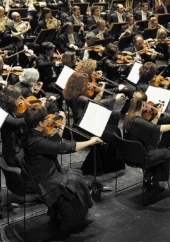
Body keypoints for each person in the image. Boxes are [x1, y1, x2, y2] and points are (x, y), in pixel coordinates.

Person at [22, 104, 100, 232]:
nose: (49, 120)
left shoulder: (30, 132)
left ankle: (65, 214)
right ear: (40, 124)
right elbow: (63, 148)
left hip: (42, 170)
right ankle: (69, 219)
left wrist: (62, 124)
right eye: (46, 118)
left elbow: (53, 142)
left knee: (75, 177)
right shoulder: (37, 142)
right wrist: (90, 142)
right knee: (74, 181)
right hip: (43, 177)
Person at [123, 91, 170, 192]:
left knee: (158, 148)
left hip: (130, 154)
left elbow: (150, 127)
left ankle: (148, 178)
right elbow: (159, 129)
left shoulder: (129, 116)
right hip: (140, 156)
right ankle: (154, 182)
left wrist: (158, 114)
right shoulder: (138, 120)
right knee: (166, 152)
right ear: (144, 104)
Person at [63, 72, 125, 175]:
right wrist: (115, 98)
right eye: (85, 83)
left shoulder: (69, 92)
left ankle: (106, 156)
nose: (87, 84)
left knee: (114, 124)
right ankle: (105, 164)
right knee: (113, 133)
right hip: (84, 127)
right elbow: (96, 104)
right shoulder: (80, 97)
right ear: (79, 85)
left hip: (80, 123)